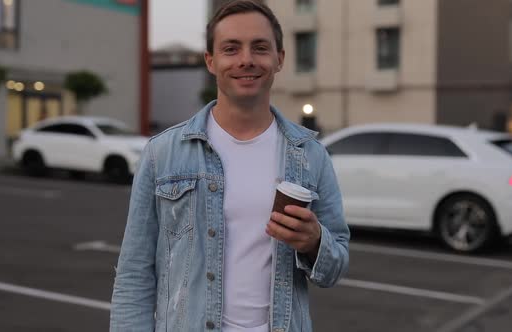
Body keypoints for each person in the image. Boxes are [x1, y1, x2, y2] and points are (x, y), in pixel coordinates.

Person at [110, 1, 350, 331]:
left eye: (260, 47)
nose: (246, 59)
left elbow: (335, 266)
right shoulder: (161, 154)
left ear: (280, 58)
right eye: (231, 48)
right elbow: (134, 276)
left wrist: (313, 243)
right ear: (211, 61)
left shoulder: (310, 155)